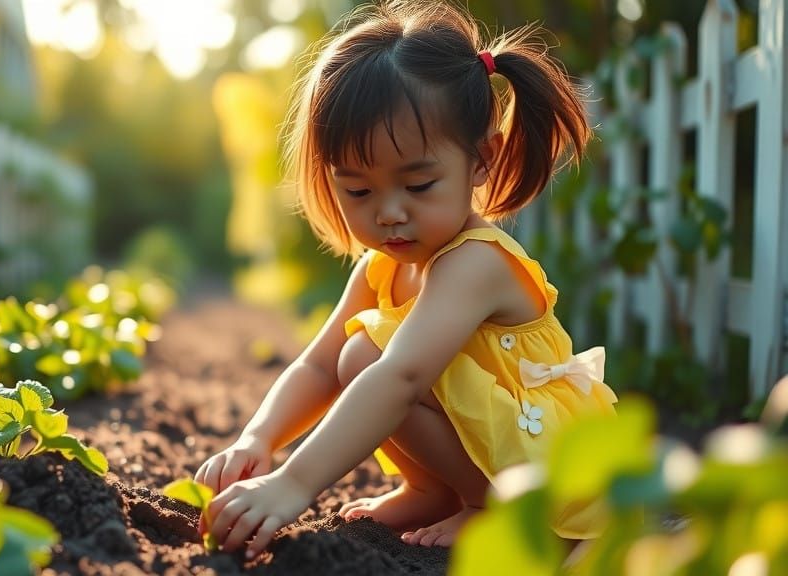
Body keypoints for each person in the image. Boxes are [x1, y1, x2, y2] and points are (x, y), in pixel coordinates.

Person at [194, 0, 618, 558]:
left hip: (550, 469)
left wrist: (294, 483)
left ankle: (498, 508)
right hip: (504, 443)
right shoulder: (386, 265)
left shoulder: (476, 262)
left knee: (371, 358)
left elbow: (401, 378)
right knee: (351, 355)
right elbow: (317, 365)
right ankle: (435, 492)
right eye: (359, 191)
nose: (389, 212)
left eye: (418, 186)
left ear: (481, 160)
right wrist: (260, 437)